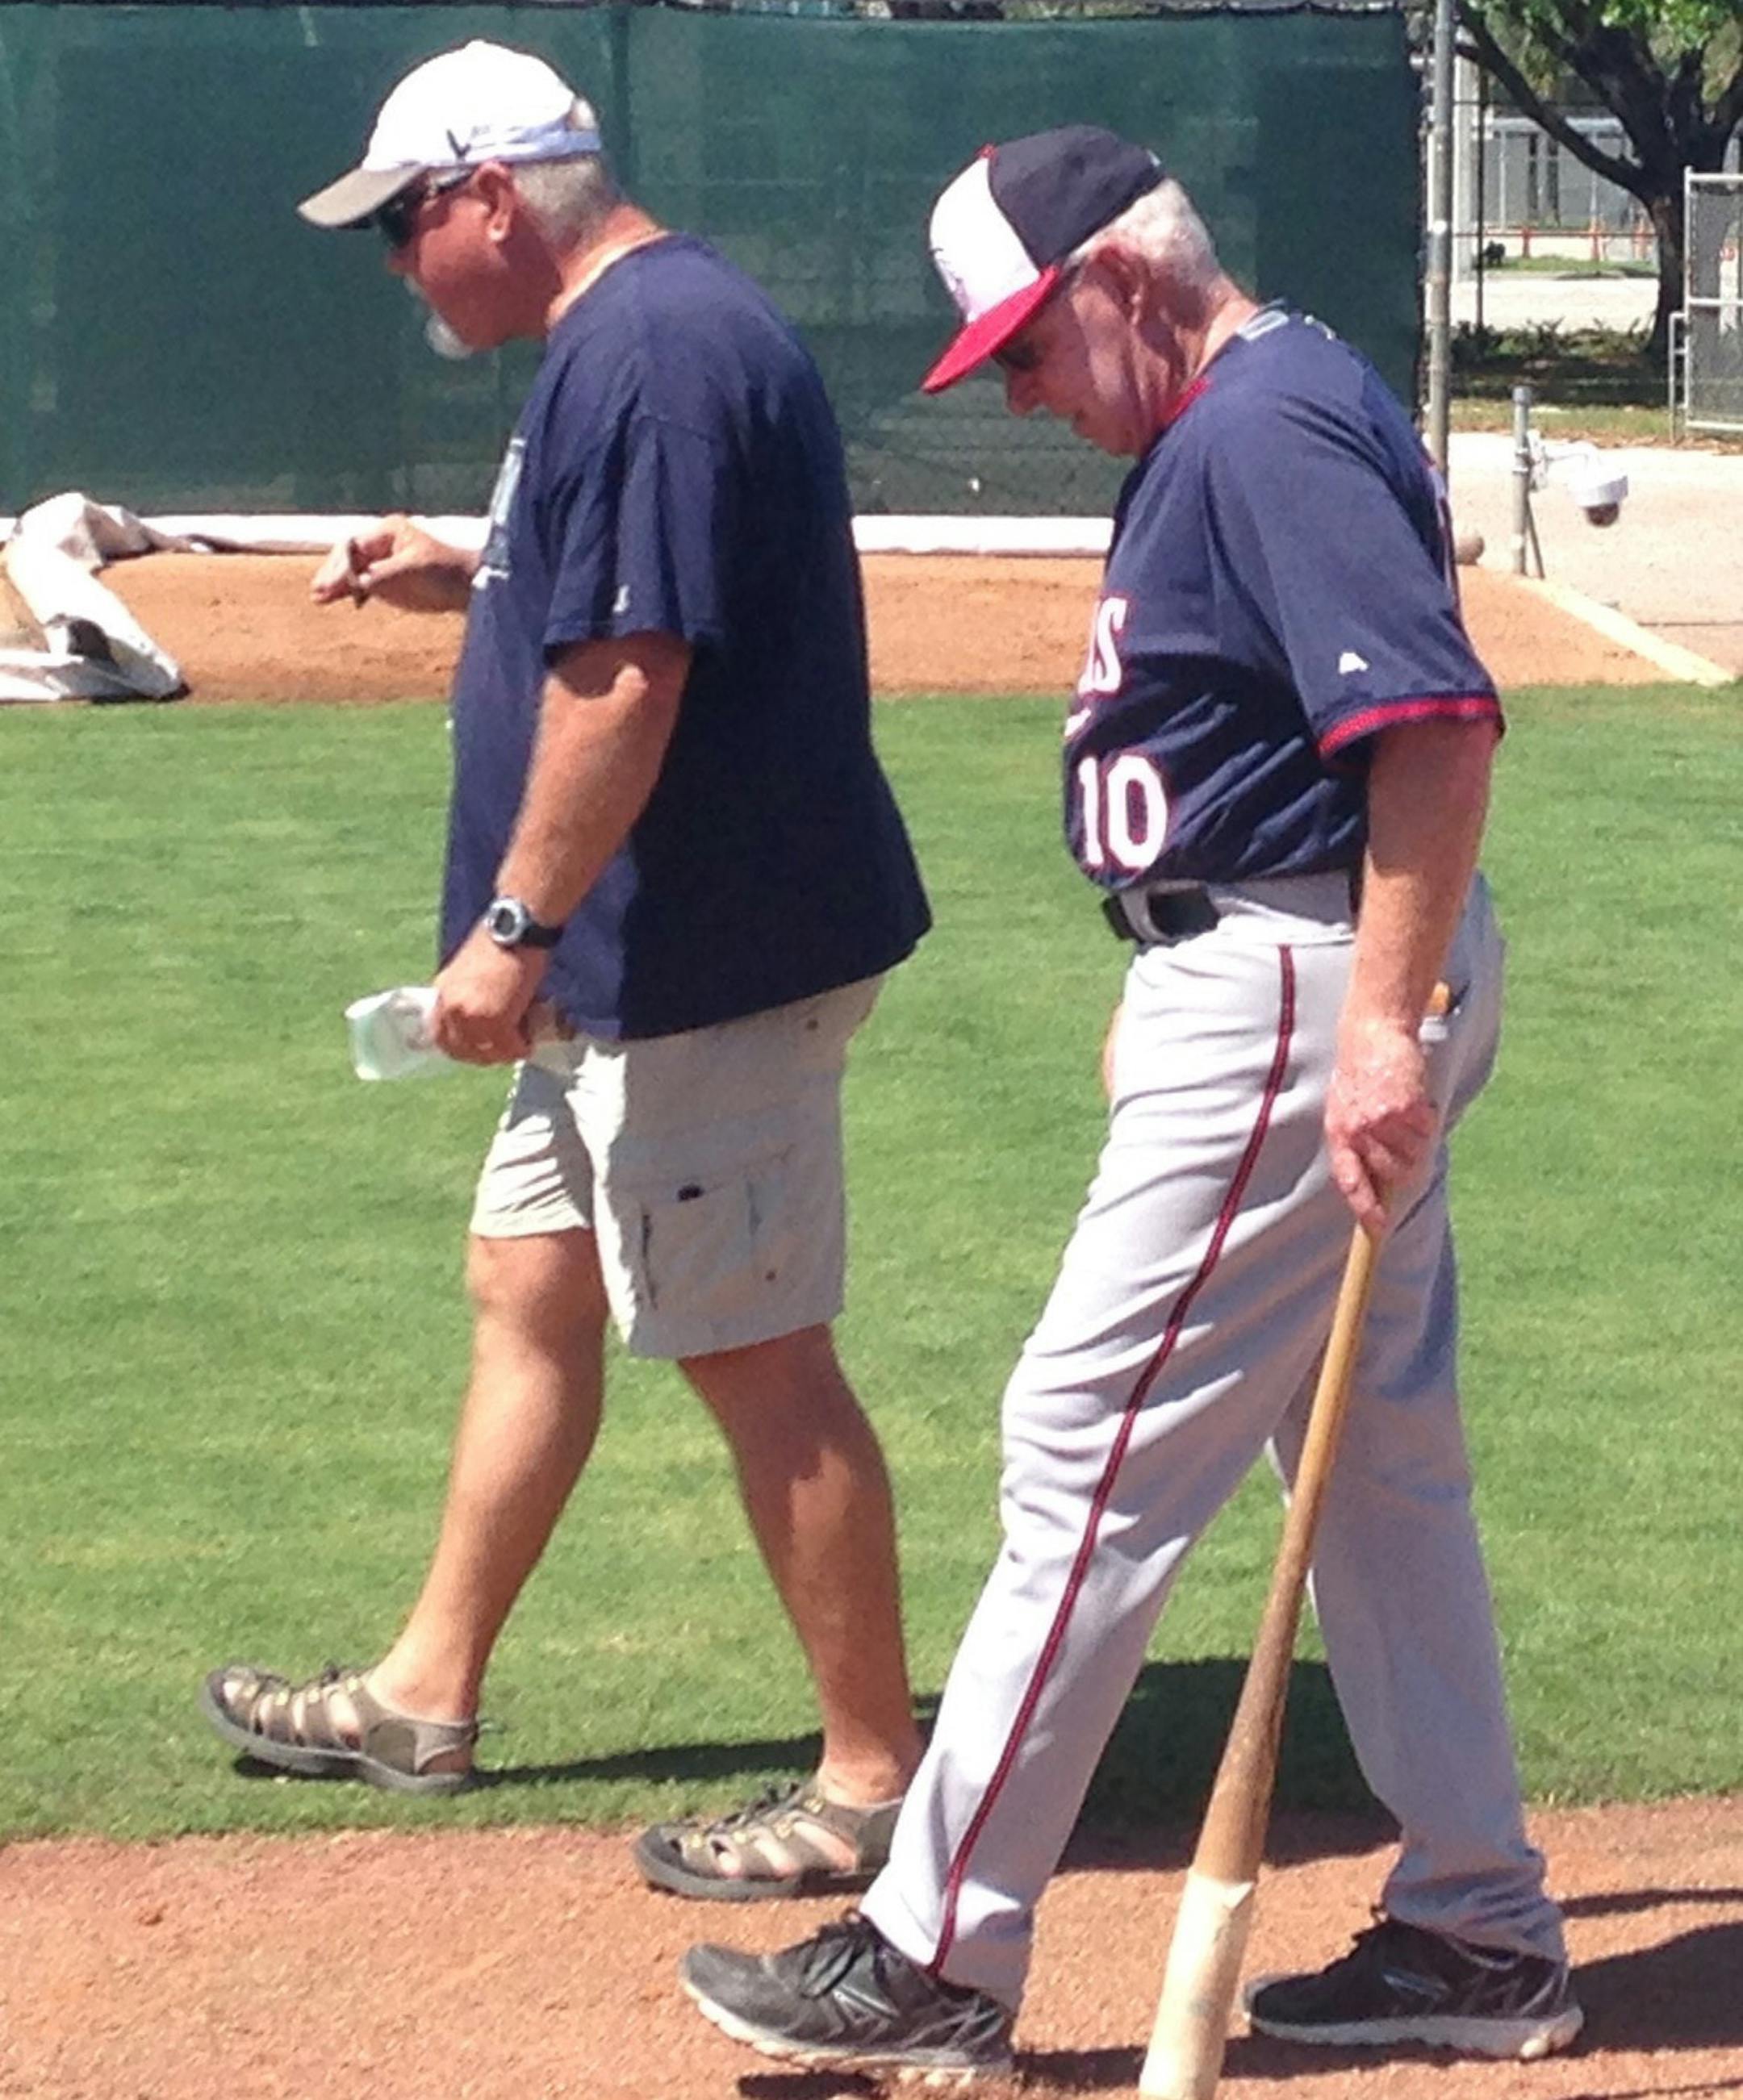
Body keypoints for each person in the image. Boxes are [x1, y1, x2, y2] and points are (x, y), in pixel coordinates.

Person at [680, 127, 1583, 2073]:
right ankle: (1480, 1927)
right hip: (1275, 962)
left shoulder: (1259, 426)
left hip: (1310, 967)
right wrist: (1184, 958)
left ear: (1125, 279)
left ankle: (934, 1955)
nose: (1014, 389)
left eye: (1023, 345)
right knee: (1375, 1467)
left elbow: (1429, 730)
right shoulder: (1261, 410)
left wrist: (1357, 1023)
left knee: (1083, 1445)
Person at [200, 40, 934, 1902]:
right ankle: (423, 1693)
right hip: (626, 964)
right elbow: (617, 596)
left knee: (759, 1354)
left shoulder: (659, 354)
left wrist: (512, 930)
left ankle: (873, 1776)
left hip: (694, 956)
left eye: (401, 228)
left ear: (490, 196)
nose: (395, 268)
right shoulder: (627, 345)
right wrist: (473, 573)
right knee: (525, 1291)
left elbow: (633, 675)